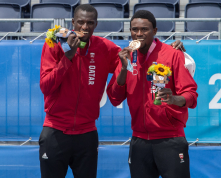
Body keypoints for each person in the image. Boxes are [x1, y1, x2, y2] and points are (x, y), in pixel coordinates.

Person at [39, 4, 186, 178]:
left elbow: (136, 55)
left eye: (90, 23)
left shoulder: (105, 47)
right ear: (73, 22)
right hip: (55, 130)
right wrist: (67, 58)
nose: (84, 27)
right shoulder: (54, 45)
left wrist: (169, 50)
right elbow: (46, 87)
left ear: (96, 24)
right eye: (80, 22)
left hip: (86, 134)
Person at [107, 10, 198, 178]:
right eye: (134, 29)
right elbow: (114, 98)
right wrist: (124, 68)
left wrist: (173, 99)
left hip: (170, 138)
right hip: (139, 140)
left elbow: (191, 96)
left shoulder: (172, 54)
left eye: (144, 29)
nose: (139, 34)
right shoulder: (127, 57)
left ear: (155, 31)